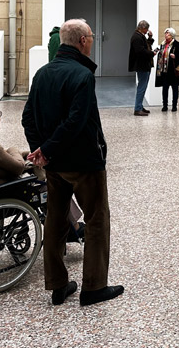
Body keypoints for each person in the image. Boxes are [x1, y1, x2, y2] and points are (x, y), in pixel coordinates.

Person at [22, 18, 124, 307]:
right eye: (91, 37)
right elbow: (76, 122)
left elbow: (27, 118)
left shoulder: (42, 74)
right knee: (96, 220)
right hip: (83, 163)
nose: (92, 41)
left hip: (54, 165)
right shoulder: (82, 75)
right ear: (82, 41)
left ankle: (57, 284)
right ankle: (93, 287)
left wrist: (41, 150)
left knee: (54, 221)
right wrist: (48, 148)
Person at [0, 99, 84, 241]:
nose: (0, 115)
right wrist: (14, 150)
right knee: (49, 187)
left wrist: (25, 154)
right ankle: (73, 228)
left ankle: (69, 224)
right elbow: (18, 167)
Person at [128, 20, 156, 117]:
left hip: (144, 65)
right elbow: (141, 51)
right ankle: (137, 109)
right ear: (143, 28)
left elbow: (146, 45)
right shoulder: (136, 37)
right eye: (146, 29)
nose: (147, 30)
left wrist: (150, 37)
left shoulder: (139, 36)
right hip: (142, 65)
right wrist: (152, 53)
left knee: (143, 87)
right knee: (141, 87)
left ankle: (140, 106)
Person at [154, 27, 179, 112]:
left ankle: (174, 106)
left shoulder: (177, 44)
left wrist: (175, 56)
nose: (166, 35)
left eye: (167, 33)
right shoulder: (163, 44)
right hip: (164, 71)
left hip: (173, 71)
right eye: (165, 33)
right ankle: (165, 106)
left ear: (172, 35)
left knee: (175, 88)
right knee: (165, 89)